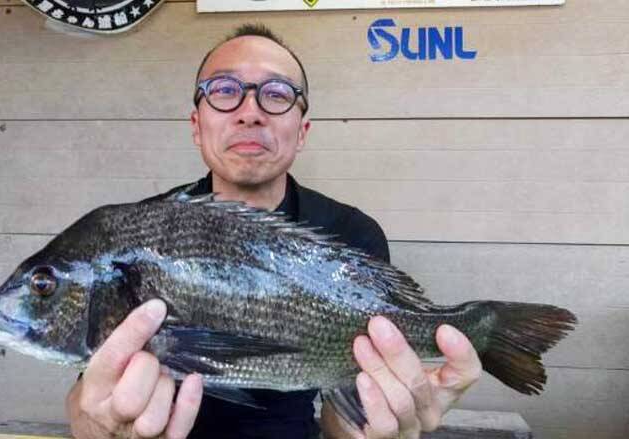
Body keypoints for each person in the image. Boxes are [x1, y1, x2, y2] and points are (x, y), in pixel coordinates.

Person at [66, 24, 482, 439]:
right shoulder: (139, 232)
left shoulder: (351, 231)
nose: (250, 112)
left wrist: (373, 425)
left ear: (301, 131)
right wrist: (100, 426)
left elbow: (341, 413)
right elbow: (86, 397)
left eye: (277, 94)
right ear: (196, 125)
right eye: (224, 90)